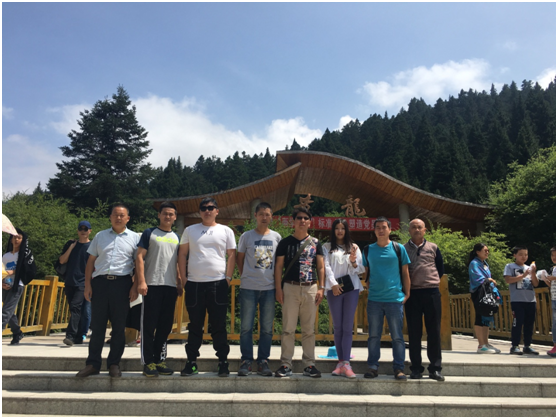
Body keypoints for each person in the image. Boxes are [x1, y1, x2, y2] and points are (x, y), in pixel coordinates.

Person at [76, 203, 140, 378]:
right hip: (100, 283)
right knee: (97, 326)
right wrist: (88, 285)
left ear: (128, 218)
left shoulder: (134, 238)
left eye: (122, 215)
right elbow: (91, 262)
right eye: (115, 215)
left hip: (122, 284)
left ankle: (114, 364)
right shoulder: (100, 236)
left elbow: (138, 264)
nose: (118, 218)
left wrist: (135, 286)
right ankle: (93, 364)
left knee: (119, 327)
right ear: (110, 217)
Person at [178, 197, 236, 378]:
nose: (207, 211)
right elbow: (182, 254)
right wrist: (184, 279)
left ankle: (223, 362)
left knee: (218, 325)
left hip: (218, 283)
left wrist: (228, 278)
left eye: (211, 208)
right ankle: (191, 362)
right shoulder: (190, 230)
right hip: (194, 284)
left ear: (217, 211)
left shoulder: (225, 230)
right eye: (203, 208)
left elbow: (232, 255)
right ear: (199, 212)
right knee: (195, 325)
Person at [274, 208, 325, 378]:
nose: (302, 221)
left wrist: (321, 288)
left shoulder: (316, 243)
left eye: (305, 218)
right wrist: (278, 288)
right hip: (290, 287)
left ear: (310, 222)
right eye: (299, 218)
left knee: (308, 330)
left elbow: (320, 267)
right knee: (288, 329)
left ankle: (309, 364)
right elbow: (278, 267)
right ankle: (285, 364)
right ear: (294, 221)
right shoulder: (285, 242)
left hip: (310, 287)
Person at [135, 201, 182, 377]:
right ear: (159, 215)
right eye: (165, 213)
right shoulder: (150, 233)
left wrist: (179, 282)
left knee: (165, 326)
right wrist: (141, 281)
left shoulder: (177, 237)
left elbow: (177, 262)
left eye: (171, 214)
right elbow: (139, 257)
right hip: (152, 285)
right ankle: (148, 362)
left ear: (175, 217)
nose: (168, 216)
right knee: (149, 325)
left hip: (170, 286)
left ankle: (160, 360)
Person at [362, 216, 411, 381]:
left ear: (390, 229)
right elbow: (366, 273)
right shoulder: (368, 250)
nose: (381, 230)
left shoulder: (398, 248)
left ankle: (399, 368)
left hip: (394, 299)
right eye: (378, 227)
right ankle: (372, 367)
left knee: (397, 336)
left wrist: (407, 293)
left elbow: (405, 272)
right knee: (373, 336)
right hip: (374, 299)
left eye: (384, 227)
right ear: (374, 230)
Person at [236, 202, 281, 376]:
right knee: (246, 327)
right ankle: (246, 360)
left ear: (271, 217)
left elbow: (279, 263)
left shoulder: (276, 237)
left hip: (269, 288)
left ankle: (263, 361)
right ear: (255, 215)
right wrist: (245, 276)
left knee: (267, 328)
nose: (264, 217)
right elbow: (240, 258)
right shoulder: (246, 236)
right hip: (248, 287)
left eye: (267, 214)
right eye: (261, 214)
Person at [404, 219, 445, 381]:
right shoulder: (403, 249)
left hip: (431, 292)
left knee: (434, 331)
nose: (417, 230)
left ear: (425, 230)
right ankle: (416, 368)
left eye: (419, 227)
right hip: (412, 294)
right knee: (414, 332)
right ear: (409, 230)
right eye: (413, 227)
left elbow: (440, 268)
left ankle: (435, 368)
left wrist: (430, 281)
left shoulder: (433, 247)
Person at [323, 219, 364, 379]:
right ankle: (340, 363)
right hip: (334, 289)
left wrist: (353, 261)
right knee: (338, 326)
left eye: (342, 228)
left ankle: (346, 363)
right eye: (337, 228)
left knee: (347, 326)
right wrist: (333, 284)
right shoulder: (327, 247)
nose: (340, 231)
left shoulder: (354, 247)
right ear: (333, 230)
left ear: (347, 230)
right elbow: (326, 267)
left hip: (351, 288)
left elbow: (360, 269)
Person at [59, 220, 92, 346]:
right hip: (69, 281)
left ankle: (70, 335)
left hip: (83, 282)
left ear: (90, 231)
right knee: (77, 310)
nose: (83, 231)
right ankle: (78, 336)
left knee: (75, 307)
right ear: (78, 231)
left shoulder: (92, 246)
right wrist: (71, 247)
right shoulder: (71, 244)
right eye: (81, 229)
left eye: (85, 229)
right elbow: (62, 260)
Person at [2, 228, 37, 344]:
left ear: (23, 240)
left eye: (19, 237)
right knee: (9, 311)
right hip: (5, 285)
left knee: (6, 311)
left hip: (17, 285)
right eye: (14, 237)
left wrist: (13, 271)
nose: (16, 239)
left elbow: (29, 269)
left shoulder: (25, 254)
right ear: (11, 239)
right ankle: (17, 332)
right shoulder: (6, 256)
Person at [504, 246, 540, 355]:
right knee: (517, 322)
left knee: (529, 323)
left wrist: (533, 273)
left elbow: (535, 284)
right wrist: (523, 275)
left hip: (530, 300)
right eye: (520, 254)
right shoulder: (509, 266)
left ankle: (527, 345)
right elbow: (508, 280)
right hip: (517, 300)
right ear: (515, 255)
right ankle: (514, 346)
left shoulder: (529, 267)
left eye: (526, 254)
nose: (524, 257)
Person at [468, 243, 500, 354]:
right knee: (479, 316)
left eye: (487, 250)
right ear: (477, 252)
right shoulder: (474, 263)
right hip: (478, 292)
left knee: (486, 316)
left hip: (487, 291)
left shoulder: (484, 263)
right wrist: (489, 280)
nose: (487, 252)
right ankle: (481, 345)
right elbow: (477, 277)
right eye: (484, 250)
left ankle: (486, 343)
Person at [533, 247, 556, 357]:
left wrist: (554, 278)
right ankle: (555, 346)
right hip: (554, 298)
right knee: (555, 323)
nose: (554, 257)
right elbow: (552, 284)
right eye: (552, 255)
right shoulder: (553, 268)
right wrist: (546, 278)